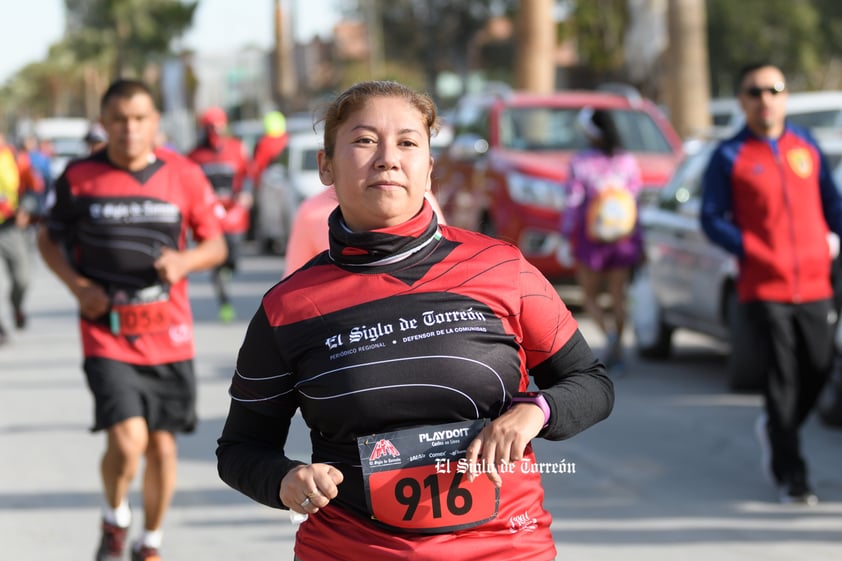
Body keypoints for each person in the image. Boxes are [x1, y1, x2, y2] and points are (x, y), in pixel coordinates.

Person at [216, 80, 614, 561]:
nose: (387, 158)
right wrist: (285, 480)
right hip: (351, 549)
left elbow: (591, 383)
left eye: (407, 142)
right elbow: (241, 447)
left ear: (429, 169)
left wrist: (537, 412)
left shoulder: (502, 268)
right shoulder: (289, 306)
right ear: (326, 166)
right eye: (364, 141)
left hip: (505, 548)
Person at [37, 78, 228, 561]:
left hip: (169, 331)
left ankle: (150, 542)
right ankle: (115, 515)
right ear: (103, 124)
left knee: (163, 449)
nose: (129, 129)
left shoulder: (183, 174)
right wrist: (79, 288)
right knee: (128, 440)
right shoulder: (79, 176)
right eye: (119, 120)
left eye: (139, 118)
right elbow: (48, 239)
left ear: (154, 123)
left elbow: (216, 244)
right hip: (108, 329)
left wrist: (184, 263)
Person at [701, 62, 842, 505]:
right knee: (782, 381)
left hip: (816, 283)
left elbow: (831, 204)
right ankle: (792, 476)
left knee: (819, 369)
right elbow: (711, 218)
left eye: (774, 89)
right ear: (742, 100)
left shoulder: (806, 145)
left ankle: (776, 430)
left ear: (784, 97)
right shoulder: (729, 156)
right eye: (755, 91)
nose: (765, 99)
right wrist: (752, 249)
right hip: (764, 288)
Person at [559, 107, 643, 370]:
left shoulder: (580, 163)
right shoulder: (627, 161)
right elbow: (636, 198)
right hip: (623, 237)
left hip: (590, 237)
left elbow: (573, 202)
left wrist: (564, 234)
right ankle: (619, 345)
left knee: (590, 295)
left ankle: (608, 336)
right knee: (619, 295)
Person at [283, 184, 447, 275]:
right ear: (326, 163)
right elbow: (294, 286)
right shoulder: (311, 212)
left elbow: (444, 256)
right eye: (364, 141)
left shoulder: (421, 201)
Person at [187, 107, 252, 323]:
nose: (213, 130)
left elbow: (247, 175)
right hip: (209, 214)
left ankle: (227, 268)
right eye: (209, 126)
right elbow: (190, 184)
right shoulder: (194, 155)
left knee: (232, 256)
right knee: (216, 258)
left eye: (217, 125)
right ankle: (224, 301)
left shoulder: (236, 148)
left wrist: (246, 194)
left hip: (233, 214)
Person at [0, 132, 40, 343]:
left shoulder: (15, 158)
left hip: (10, 228)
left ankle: (16, 307)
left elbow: (34, 189)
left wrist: (25, 208)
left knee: (22, 278)